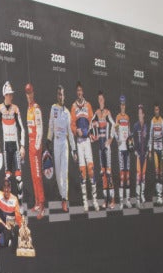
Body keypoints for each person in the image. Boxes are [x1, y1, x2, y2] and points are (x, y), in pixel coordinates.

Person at [0, 81, 25, 208]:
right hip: (6, 146)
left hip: (15, 146)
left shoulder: (15, 109)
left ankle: (21, 206)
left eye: (11, 94)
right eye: (8, 94)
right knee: (7, 177)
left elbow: (22, 128)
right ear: (4, 95)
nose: (10, 96)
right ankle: (7, 204)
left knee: (18, 178)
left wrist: (22, 146)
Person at [46, 85, 74, 212]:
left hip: (64, 143)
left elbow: (70, 133)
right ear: (57, 96)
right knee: (58, 174)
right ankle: (62, 193)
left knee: (64, 172)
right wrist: (48, 140)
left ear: (64, 96)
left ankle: (64, 199)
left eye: (62, 94)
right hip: (56, 142)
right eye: (59, 94)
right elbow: (50, 125)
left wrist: (73, 149)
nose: (60, 96)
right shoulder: (53, 108)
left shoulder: (67, 112)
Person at [70, 82, 96, 211]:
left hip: (87, 142)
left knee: (91, 169)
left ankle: (94, 200)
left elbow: (92, 121)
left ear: (83, 92)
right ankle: (85, 201)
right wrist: (76, 131)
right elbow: (72, 124)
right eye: (78, 90)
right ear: (76, 92)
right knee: (82, 171)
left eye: (81, 90)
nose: (79, 92)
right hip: (79, 142)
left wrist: (90, 132)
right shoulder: (74, 106)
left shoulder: (88, 105)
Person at [92, 90, 116, 209]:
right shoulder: (96, 112)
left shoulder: (107, 112)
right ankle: (105, 200)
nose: (100, 101)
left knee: (109, 173)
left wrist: (111, 138)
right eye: (99, 99)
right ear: (98, 100)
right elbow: (91, 123)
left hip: (106, 148)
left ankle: (112, 200)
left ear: (104, 100)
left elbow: (114, 124)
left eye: (102, 99)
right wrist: (93, 135)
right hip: (100, 147)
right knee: (103, 174)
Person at [25, 83, 46, 218]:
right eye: (27, 93)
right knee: (33, 176)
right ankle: (37, 202)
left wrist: (37, 147)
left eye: (30, 93)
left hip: (36, 146)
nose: (29, 95)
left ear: (33, 93)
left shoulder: (36, 109)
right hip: (30, 144)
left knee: (38, 176)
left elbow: (40, 129)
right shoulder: (28, 108)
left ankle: (42, 205)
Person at [147, 102, 163, 205]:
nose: (156, 111)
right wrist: (150, 150)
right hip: (155, 149)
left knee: (161, 173)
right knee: (156, 172)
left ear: (159, 110)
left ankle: (160, 196)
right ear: (154, 111)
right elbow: (150, 136)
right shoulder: (153, 121)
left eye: (158, 110)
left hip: (161, 150)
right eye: (155, 110)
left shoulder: (162, 121)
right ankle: (158, 195)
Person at [114, 95, 132, 209]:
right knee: (121, 175)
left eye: (124, 105)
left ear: (125, 105)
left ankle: (128, 200)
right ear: (120, 106)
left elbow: (129, 132)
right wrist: (117, 140)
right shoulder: (118, 117)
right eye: (121, 105)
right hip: (121, 149)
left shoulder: (128, 117)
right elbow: (115, 130)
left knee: (128, 175)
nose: (123, 106)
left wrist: (130, 141)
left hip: (127, 149)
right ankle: (121, 201)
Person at [130, 104, 149, 207]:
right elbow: (131, 138)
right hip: (138, 154)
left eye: (141, 113)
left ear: (144, 114)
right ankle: (137, 198)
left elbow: (148, 139)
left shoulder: (146, 126)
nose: (139, 115)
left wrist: (148, 150)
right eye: (138, 113)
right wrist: (134, 150)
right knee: (138, 175)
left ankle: (142, 195)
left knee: (143, 176)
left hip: (144, 154)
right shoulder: (135, 126)